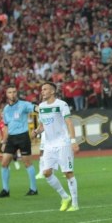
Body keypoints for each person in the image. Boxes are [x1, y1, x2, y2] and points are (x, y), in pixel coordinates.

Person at [33, 82, 80, 211]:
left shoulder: (61, 104)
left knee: (68, 172)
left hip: (63, 143)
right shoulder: (41, 106)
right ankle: (65, 197)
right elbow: (43, 125)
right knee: (46, 172)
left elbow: (69, 123)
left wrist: (73, 140)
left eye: (45, 89)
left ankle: (75, 204)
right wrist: (36, 131)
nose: (42, 91)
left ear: (52, 91)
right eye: (41, 89)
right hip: (49, 145)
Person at [0, 87, 39, 198]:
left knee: (27, 163)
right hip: (11, 139)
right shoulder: (5, 109)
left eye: (14, 92)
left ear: (17, 93)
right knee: (4, 163)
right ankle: (6, 190)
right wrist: (4, 141)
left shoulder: (24, 104)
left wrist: (45, 109)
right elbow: (6, 127)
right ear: (6, 94)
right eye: (10, 92)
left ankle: (33, 189)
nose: (12, 94)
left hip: (23, 136)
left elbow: (36, 108)